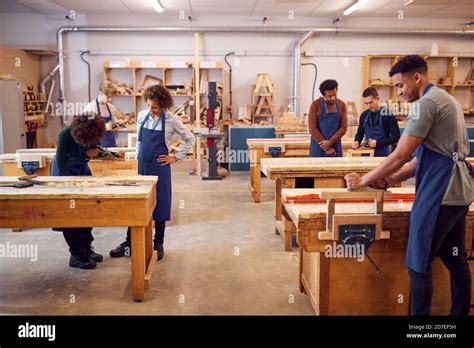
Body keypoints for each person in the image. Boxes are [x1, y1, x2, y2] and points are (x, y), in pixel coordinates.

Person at [345, 55, 473, 315]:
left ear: (418, 77)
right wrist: (392, 179)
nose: (399, 92)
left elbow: (400, 154)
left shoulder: (425, 105)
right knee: (455, 259)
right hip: (460, 192)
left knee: (418, 264)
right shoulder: (447, 100)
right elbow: (430, 157)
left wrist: (363, 180)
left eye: (401, 85)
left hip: (441, 194)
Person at [109, 84, 195, 261]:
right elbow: (140, 142)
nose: (151, 110)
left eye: (154, 107)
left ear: (163, 105)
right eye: (149, 105)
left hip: (160, 168)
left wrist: (175, 157)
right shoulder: (142, 116)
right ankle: (129, 243)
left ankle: (158, 243)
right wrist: (135, 158)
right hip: (142, 166)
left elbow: (190, 138)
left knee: (160, 203)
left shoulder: (171, 120)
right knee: (136, 203)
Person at [50, 113, 106, 269]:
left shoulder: (93, 133)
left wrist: (107, 154)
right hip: (64, 174)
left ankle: (87, 248)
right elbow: (62, 164)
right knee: (70, 216)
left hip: (82, 170)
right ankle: (76, 255)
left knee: (88, 211)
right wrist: (86, 156)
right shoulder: (65, 135)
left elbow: (94, 149)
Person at [353, 87, 401, 156]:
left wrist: (377, 143)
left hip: (382, 154)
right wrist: (357, 141)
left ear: (378, 99)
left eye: (371, 102)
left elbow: (396, 137)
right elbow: (360, 133)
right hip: (366, 154)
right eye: (366, 103)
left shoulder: (388, 115)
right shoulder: (364, 115)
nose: (368, 106)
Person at [308, 79, 348, 157]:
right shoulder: (316, 105)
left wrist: (330, 142)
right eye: (329, 96)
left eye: (335, 95)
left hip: (335, 144)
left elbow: (343, 127)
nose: (333, 98)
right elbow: (312, 128)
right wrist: (326, 147)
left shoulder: (341, 104)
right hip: (319, 145)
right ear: (323, 95)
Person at [83, 82, 124, 147]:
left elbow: (112, 126)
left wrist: (118, 124)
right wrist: (104, 127)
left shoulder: (111, 107)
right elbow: (87, 130)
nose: (110, 99)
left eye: (111, 97)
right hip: (97, 146)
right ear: (101, 93)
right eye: (108, 97)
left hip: (111, 145)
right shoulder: (91, 107)